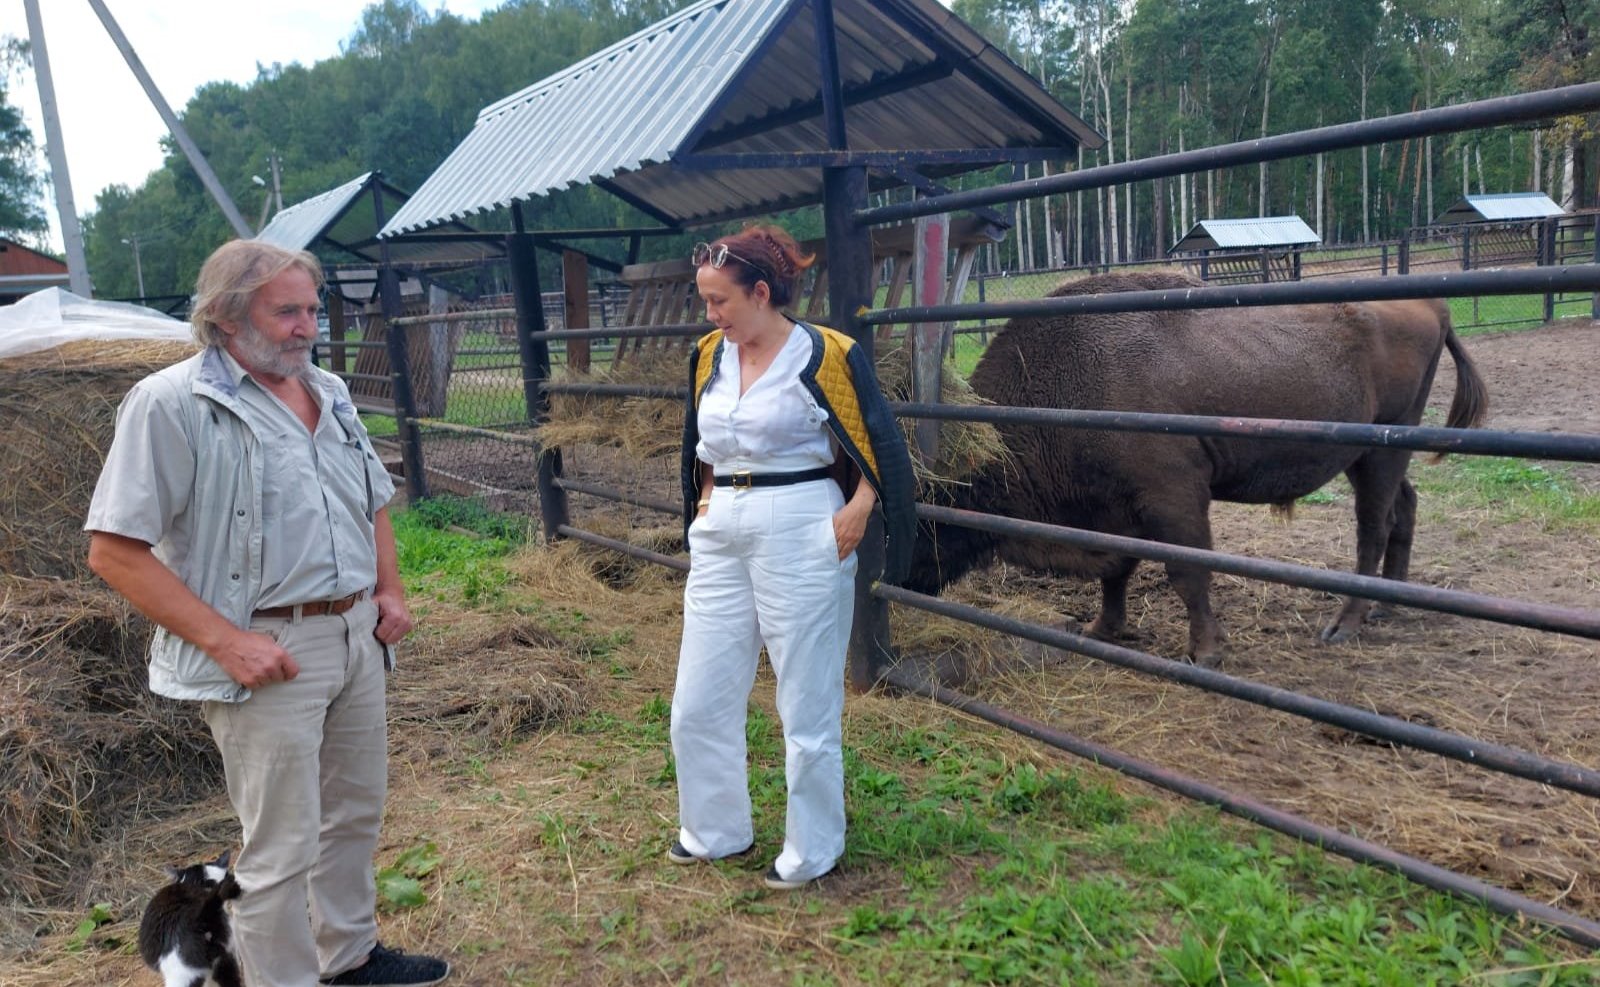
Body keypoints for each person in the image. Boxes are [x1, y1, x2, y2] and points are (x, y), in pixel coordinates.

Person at [85, 240, 449, 987]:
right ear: (224, 314)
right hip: (266, 647)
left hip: (355, 634)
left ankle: (345, 955)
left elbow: (373, 498)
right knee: (280, 846)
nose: (307, 325)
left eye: (312, 309)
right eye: (287, 310)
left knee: (352, 815)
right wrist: (226, 643)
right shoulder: (170, 403)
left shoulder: (330, 391)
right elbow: (113, 550)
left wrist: (390, 590)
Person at [671, 224, 915, 890]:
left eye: (720, 301)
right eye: (705, 301)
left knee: (805, 700)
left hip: (802, 522)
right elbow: (700, 437)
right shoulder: (706, 356)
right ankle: (713, 829)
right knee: (699, 694)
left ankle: (812, 848)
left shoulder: (827, 353)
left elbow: (877, 438)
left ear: (760, 291)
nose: (711, 314)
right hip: (722, 531)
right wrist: (705, 500)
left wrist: (861, 504)